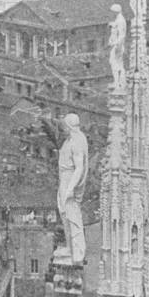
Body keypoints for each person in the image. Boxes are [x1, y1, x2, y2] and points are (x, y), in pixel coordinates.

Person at [57, 113, 88, 264]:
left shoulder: (77, 142)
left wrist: (70, 188)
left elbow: (79, 168)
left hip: (69, 180)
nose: (63, 129)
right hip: (63, 179)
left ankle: (78, 251)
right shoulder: (68, 140)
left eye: (65, 126)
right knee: (64, 215)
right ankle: (70, 248)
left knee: (72, 216)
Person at [108, 3, 126, 90]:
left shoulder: (120, 20)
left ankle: (119, 83)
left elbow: (121, 35)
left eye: (112, 12)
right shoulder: (118, 19)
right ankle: (118, 82)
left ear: (115, 12)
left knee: (115, 64)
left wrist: (115, 44)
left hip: (117, 46)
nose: (111, 13)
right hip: (116, 45)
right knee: (115, 63)